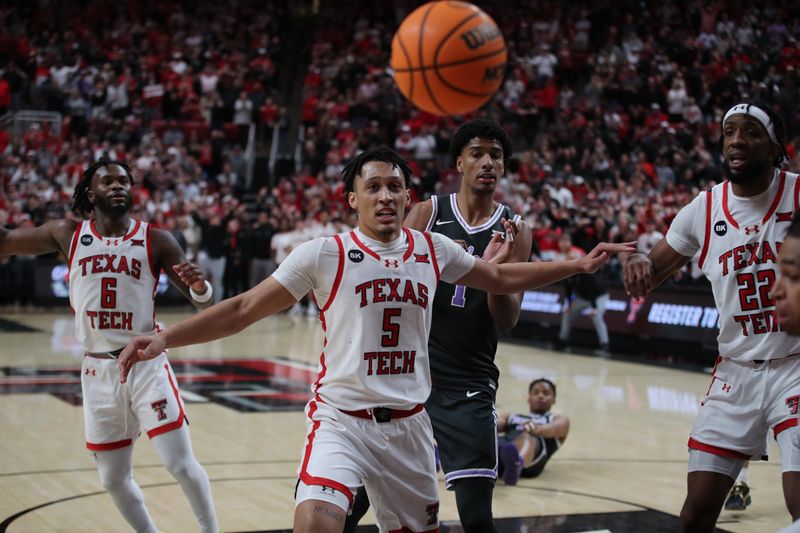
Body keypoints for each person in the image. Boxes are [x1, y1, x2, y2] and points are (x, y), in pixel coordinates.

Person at [118, 147, 633, 533]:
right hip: (340, 423)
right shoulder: (324, 253)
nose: (385, 195)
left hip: (410, 430)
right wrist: (167, 338)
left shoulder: (435, 249)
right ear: (352, 199)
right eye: (373, 187)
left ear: (408, 197)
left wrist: (578, 264)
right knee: (315, 524)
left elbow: (500, 280)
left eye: (395, 186)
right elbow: (244, 308)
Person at [0, 160, 220, 533]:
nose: (118, 186)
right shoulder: (67, 233)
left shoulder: (157, 239)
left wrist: (200, 286)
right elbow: (5, 242)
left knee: (179, 463)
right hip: (97, 370)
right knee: (113, 480)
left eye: (124, 181)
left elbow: (202, 301)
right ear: (91, 193)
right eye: (108, 181)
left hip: (145, 363)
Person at [346, 118, 533, 533]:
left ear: (503, 167)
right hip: (408, 375)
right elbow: (392, 276)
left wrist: (492, 272)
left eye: (496, 156)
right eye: (477, 154)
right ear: (459, 163)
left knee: (478, 518)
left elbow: (507, 320)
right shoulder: (427, 213)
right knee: (352, 505)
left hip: (470, 381)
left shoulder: (516, 230)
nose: (487, 162)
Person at [623, 101, 800, 532]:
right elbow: (650, 273)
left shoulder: (797, 193)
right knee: (695, 514)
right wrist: (639, 265)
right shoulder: (703, 209)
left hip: (795, 364)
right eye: (729, 132)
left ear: (775, 145)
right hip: (734, 372)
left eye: (749, 132)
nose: (736, 141)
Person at [496, 378, 570, 485]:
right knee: (488, 436)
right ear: (529, 399)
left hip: (530, 463)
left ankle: (516, 465)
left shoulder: (557, 419)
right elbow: (497, 424)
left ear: (554, 399)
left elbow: (555, 428)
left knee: (527, 436)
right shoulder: (511, 416)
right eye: (535, 393)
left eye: (546, 393)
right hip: (502, 451)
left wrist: (537, 429)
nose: (540, 396)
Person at [555, 233, 611, 356]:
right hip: (582, 298)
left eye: (570, 260)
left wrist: (594, 308)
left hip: (598, 297)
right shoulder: (566, 273)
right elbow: (568, 290)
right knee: (567, 314)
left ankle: (605, 347)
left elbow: (591, 289)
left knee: (597, 317)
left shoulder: (583, 272)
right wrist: (569, 304)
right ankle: (562, 341)